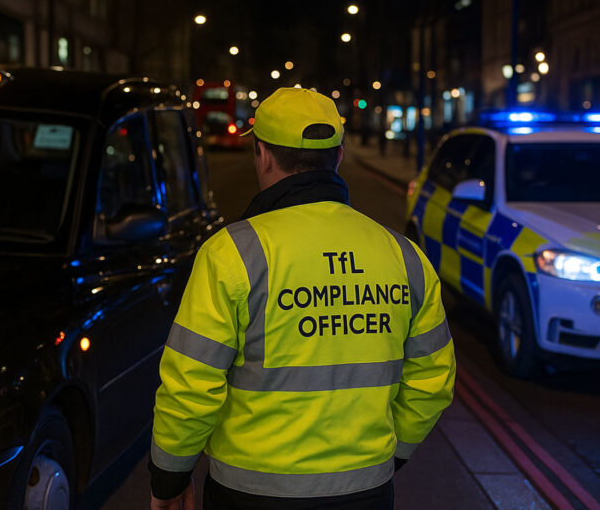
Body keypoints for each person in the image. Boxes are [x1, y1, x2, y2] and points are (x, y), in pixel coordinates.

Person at [149, 88, 456, 510]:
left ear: (264, 156)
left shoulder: (231, 255)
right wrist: (392, 454)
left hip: (251, 494)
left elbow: (190, 386)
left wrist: (169, 478)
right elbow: (432, 380)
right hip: (366, 492)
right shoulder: (405, 257)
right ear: (340, 157)